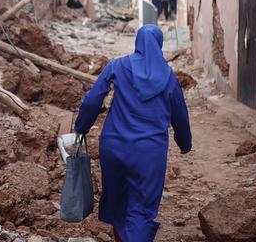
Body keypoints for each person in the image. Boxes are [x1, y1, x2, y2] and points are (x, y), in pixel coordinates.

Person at [74, 25, 192, 242]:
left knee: (118, 201)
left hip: (113, 147)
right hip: (149, 153)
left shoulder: (117, 66)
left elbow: (92, 100)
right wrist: (184, 143)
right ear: (159, 45)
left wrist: (81, 127)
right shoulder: (169, 78)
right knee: (142, 207)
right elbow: (180, 116)